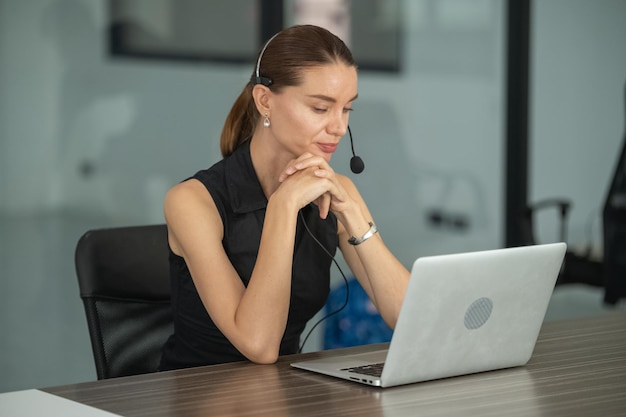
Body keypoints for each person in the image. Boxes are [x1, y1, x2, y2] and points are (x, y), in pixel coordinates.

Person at [159, 24, 410, 371]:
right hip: (202, 395)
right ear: (265, 101)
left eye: (346, 109)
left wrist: (352, 214)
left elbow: (409, 318)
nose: (338, 127)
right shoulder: (191, 202)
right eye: (321, 109)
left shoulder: (336, 191)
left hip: (286, 393)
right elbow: (259, 346)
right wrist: (283, 204)